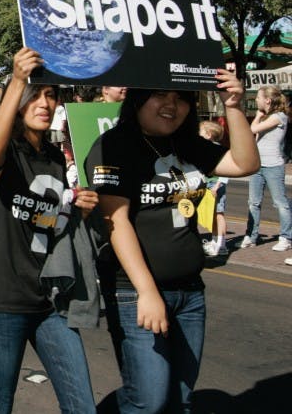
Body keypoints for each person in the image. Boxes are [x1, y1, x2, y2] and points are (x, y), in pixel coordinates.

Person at [85, 70, 258, 414]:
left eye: (180, 97)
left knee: (180, 399)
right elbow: (115, 221)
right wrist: (147, 292)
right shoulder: (113, 145)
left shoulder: (187, 143)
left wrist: (234, 106)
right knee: (148, 399)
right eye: (160, 95)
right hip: (135, 293)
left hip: (190, 293)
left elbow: (245, 163)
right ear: (137, 98)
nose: (171, 104)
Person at [0, 47, 100, 414]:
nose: (45, 103)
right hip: (2, 306)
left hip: (49, 303)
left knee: (82, 406)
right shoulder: (7, 151)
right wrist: (16, 80)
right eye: (36, 95)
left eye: (50, 95)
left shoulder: (55, 157)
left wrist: (77, 211)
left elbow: (49, 223)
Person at [241, 85, 291, 251]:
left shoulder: (279, 117)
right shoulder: (266, 118)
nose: (256, 100)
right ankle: (251, 236)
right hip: (258, 165)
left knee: (280, 203)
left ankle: (286, 238)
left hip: (273, 166)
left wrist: (257, 116)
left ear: (267, 100)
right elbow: (254, 137)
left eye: (258, 97)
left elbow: (252, 129)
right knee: (253, 202)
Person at [199, 121, 230, 257]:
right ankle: (214, 241)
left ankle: (222, 245)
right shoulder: (205, 149)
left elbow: (226, 172)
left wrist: (217, 186)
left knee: (218, 214)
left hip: (215, 186)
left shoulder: (218, 150)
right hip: (207, 185)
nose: (198, 135)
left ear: (208, 134)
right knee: (211, 214)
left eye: (200, 132)